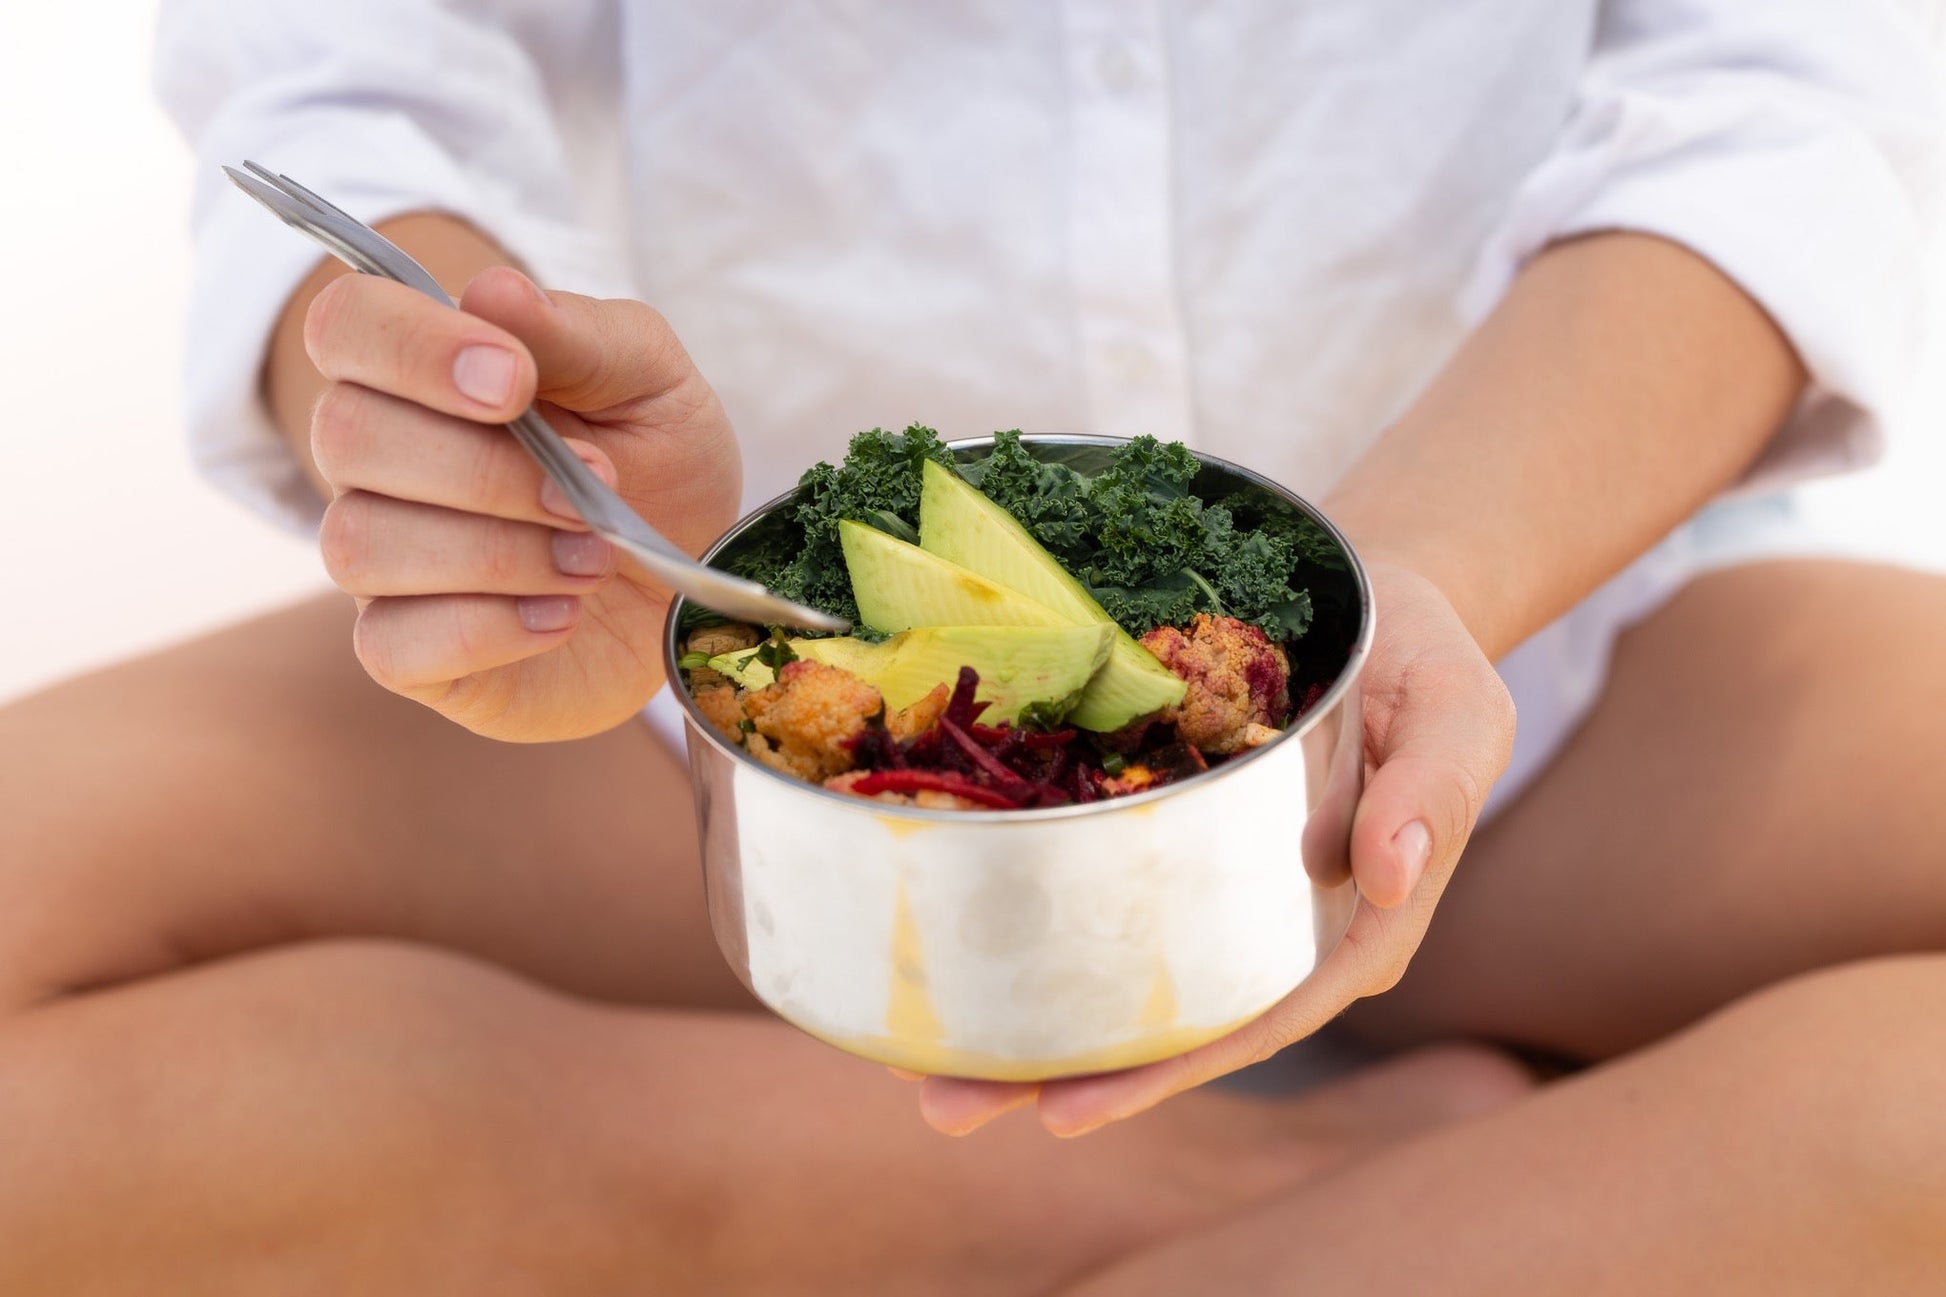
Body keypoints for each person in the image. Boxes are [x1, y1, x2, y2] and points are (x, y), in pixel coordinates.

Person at [0, 0, 1940, 1290]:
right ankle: (1220, 1197)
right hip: (688, 677)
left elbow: (1774, 108)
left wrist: (1403, 593)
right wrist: (492, 447)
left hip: (1520, 648)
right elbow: (345, 73)